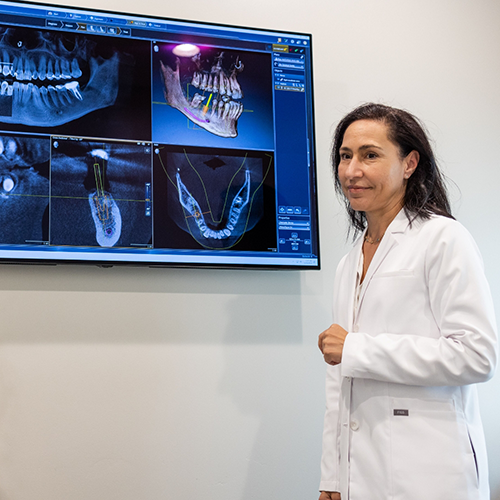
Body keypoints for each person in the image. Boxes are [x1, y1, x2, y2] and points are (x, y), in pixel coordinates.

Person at [317, 103, 498, 500]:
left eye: (370, 155)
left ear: (410, 163)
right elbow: (340, 380)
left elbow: (477, 355)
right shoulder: (349, 264)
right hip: (360, 474)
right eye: (345, 156)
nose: (351, 171)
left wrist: (358, 348)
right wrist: (332, 476)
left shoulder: (444, 239)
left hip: (431, 473)